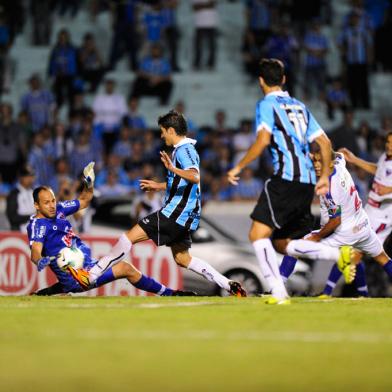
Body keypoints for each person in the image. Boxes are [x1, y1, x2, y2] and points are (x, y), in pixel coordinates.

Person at [74, 110, 246, 297]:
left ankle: (91, 275)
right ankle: (228, 284)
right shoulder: (187, 150)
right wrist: (159, 185)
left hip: (174, 213)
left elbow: (195, 177)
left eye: (163, 131)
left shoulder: (183, 150)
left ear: (171, 130)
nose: (162, 135)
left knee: (127, 238)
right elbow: (184, 182)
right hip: (185, 216)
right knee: (183, 259)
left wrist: (172, 168)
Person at [227, 58, 334, 305]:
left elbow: (263, 140)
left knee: (257, 234)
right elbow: (325, 144)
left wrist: (239, 166)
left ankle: (278, 292)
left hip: (286, 177)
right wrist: (325, 175)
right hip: (307, 181)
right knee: (283, 243)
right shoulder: (300, 106)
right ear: (284, 79)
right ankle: (339, 254)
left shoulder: (266, 104)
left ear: (260, 81)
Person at [28, 162, 195, 297]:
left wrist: (89, 183)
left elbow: (84, 200)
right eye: (46, 203)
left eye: (53, 200)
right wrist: (39, 260)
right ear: (36, 205)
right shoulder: (38, 225)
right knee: (125, 268)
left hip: (88, 265)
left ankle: (46, 293)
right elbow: (36, 250)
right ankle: (171, 294)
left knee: (123, 266)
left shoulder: (60, 208)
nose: (52, 205)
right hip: (81, 276)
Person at [280, 151, 392, 297]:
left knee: (294, 248)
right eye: (315, 162)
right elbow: (339, 155)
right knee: (382, 258)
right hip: (363, 225)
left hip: (344, 230)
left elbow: (335, 221)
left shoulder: (330, 188)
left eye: (321, 162)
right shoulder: (339, 163)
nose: (317, 166)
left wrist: (317, 237)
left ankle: (277, 289)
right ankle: (363, 295)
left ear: (330, 162)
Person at [6, 165, 36, 231]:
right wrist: (31, 217)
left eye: (31, 176)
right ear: (20, 177)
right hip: (20, 233)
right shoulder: (14, 194)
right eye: (27, 176)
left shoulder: (34, 193)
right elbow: (12, 217)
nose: (30, 179)